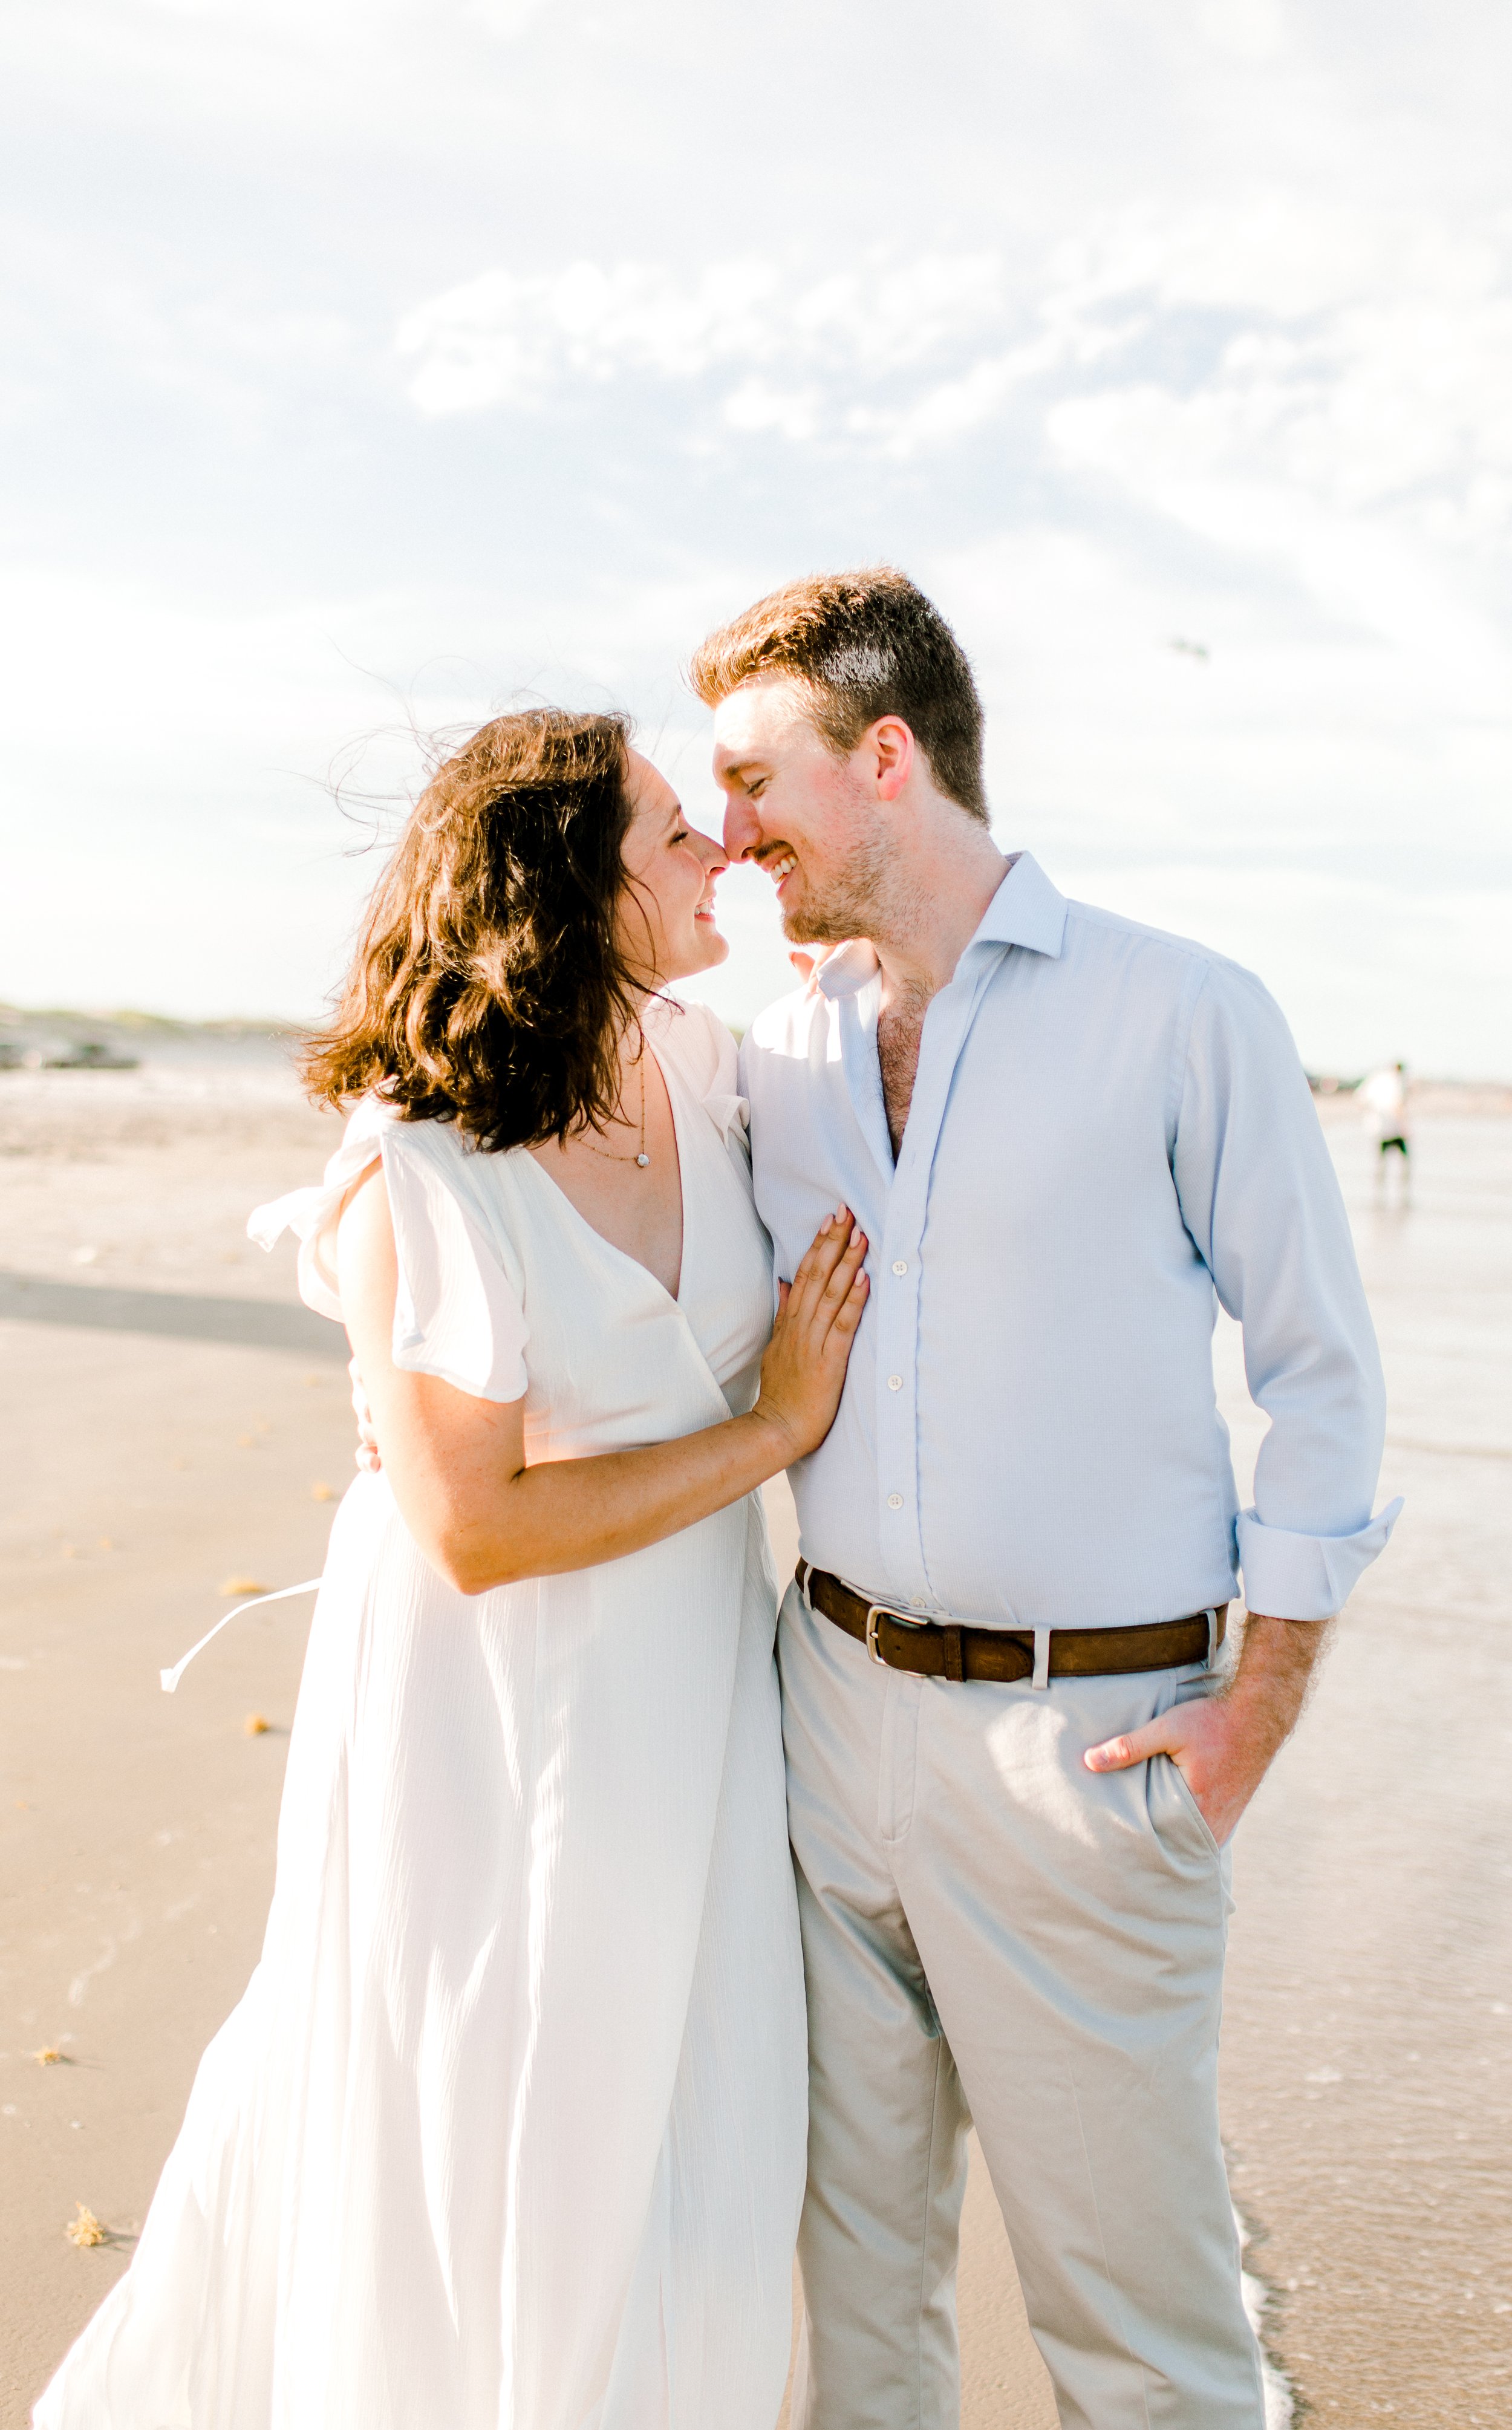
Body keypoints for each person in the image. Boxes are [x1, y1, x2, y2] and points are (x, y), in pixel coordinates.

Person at [33, 710, 870, 2430]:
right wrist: (772, 1431)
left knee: (692, 2144)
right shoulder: (421, 1165)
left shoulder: (700, 1073)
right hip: (484, 1726)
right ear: (571, 887)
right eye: (666, 833)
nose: (715, 841)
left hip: (685, 1718)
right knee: (494, 2144)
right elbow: (472, 1529)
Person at [688, 568, 1402, 2430]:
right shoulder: (768, 1061)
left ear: (887, 758)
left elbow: (1319, 1376)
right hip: (823, 1725)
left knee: (1142, 2347)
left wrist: (1254, 1709)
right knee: (858, 2319)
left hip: (1081, 1751)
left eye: (755, 778)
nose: (727, 828)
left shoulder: (1181, 1012)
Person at [1360, 1058, 1412, 1198]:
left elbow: (1360, 1099)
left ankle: (1378, 1191)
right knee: (1405, 1160)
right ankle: (1404, 1192)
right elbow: (1398, 1106)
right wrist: (1405, 1128)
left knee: (1381, 1160)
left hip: (1378, 1128)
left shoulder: (1376, 1079)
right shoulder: (1397, 1082)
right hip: (1394, 1129)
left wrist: (1373, 1116)